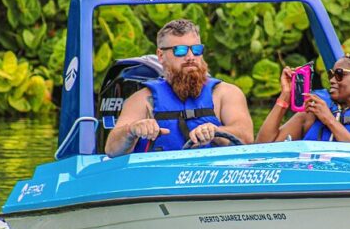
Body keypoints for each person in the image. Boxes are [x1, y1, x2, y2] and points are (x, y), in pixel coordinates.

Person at [105, 19, 254, 157]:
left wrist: (216, 132)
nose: (190, 57)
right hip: (160, 179)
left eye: (196, 50)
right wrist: (132, 130)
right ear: (161, 55)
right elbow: (111, 149)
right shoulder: (141, 99)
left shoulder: (226, 93)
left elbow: (247, 139)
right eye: (180, 50)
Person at [256, 53, 350, 144]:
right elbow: (261, 147)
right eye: (331, 75)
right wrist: (285, 94)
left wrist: (329, 120)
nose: (332, 80)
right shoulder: (310, 116)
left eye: (340, 74)